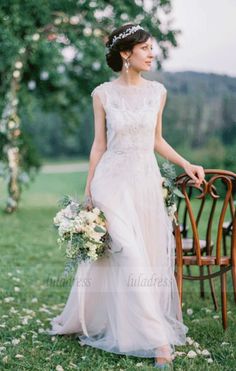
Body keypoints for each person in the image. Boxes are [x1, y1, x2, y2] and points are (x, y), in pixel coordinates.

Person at [48, 23, 205, 369]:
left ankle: (114, 321)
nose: (152, 54)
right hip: (111, 183)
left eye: (152, 48)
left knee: (144, 257)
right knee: (129, 254)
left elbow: (157, 140)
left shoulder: (158, 92)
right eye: (145, 48)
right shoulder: (102, 94)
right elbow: (99, 145)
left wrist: (186, 162)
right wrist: (89, 188)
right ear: (125, 54)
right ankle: (159, 342)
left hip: (145, 183)